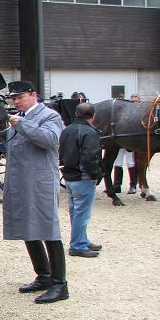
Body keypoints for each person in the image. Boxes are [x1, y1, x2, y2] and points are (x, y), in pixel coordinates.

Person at [0, 80, 68, 304]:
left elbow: (49, 140)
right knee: (27, 228)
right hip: (20, 181)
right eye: (13, 98)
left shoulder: (49, 116)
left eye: (19, 97)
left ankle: (60, 283)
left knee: (48, 229)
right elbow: (11, 142)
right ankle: (43, 275)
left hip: (40, 182)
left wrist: (19, 123)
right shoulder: (20, 119)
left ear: (34, 95)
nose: (16, 101)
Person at [59, 103, 103, 258]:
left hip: (69, 176)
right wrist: (96, 174)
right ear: (93, 115)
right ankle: (78, 245)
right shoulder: (90, 132)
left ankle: (81, 239)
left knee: (75, 212)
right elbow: (91, 156)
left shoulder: (66, 130)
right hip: (83, 177)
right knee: (82, 214)